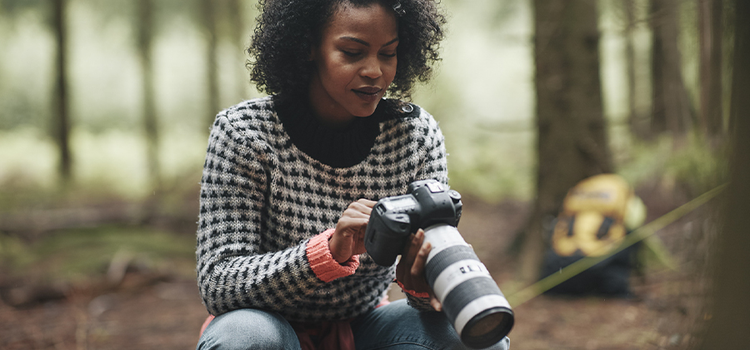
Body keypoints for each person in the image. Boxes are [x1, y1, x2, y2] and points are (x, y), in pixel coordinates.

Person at [195, 0, 510, 349]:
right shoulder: (245, 133)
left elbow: (427, 303)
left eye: (388, 53)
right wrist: (325, 253)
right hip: (267, 327)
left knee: (472, 339)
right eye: (352, 52)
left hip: (367, 326)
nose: (374, 71)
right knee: (245, 338)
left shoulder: (415, 137)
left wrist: (422, 285)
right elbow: (218, 283)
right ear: (308, 46)